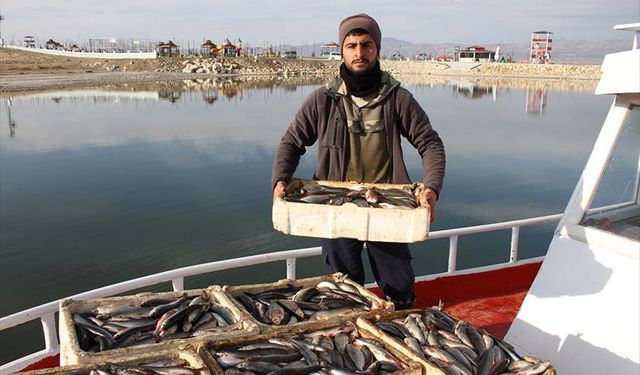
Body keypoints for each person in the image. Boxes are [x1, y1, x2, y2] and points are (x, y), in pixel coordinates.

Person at [271, 13, 445, 309]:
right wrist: (280, 179)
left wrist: (432, 188)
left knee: (398, 282)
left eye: (366, 45)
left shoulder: (398, 99)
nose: (359, 52)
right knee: (344, 285)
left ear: (377, 49)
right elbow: (292, 141)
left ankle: (400, 317)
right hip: (336, 206)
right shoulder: (322, 100)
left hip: (387, 205)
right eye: (351, 45)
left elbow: (430, 143)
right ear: (342, 51)